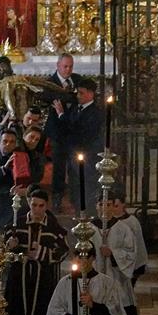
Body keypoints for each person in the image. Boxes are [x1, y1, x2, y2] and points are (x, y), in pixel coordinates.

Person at [2, 188, 68, 315]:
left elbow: (62, 251)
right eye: (34, 205)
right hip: (19, 279)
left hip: (43, 281)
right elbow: (6, 244)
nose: (37, 210)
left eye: (41, 206)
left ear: (46, 206)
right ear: (29, 203)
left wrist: (41, 253)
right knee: (17, 312)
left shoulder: (53, 227)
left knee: (40, 313)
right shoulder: (18, 222)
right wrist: (11, 245)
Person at [92, 187, 141, 315]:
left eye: (108, 204)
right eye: (101, 204)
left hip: (117, 279)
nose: (104, 208)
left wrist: (113, 254)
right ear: (96, 206)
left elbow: (131, 253)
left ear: (114, 206)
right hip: (96, 280)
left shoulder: (123, 228)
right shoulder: (89, 228)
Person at [51, 76, 104, 213]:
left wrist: (62, 115)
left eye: (81, 93)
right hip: (73, 153)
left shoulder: (95, 113)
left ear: (91, 94)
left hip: (86, 155)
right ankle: (77, 209)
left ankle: (86, 212)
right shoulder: (76, 108)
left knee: (85, 184)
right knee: (74, 183)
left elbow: (80, 131)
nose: (78, 96)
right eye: (77, 92)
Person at [45, 54, 81, 211]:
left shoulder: (77, 80)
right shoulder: (49, 83)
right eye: (65, 66)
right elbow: (52, 100)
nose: (68, 70)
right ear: (58, 66)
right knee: (59, 167)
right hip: (58, 132)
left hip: (73, 131)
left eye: (71, 66)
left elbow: (79, 99)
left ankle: (75, 197)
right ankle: (57, 198)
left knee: (74, 165)